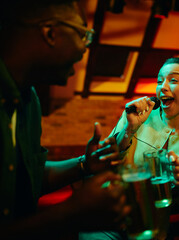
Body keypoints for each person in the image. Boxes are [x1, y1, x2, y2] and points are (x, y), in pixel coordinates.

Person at [0, 0, 130, 239]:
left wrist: (84, 164)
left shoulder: (29, 100)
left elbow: (30, 176)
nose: (85, 47)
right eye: (83, 34)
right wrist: (70, 214)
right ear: (50, 33)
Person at [80, 57, 179, 240]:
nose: (163, 87)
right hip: (110, 216)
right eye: (160, 81)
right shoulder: (135, 116)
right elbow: (106, 159)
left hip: (152, 226)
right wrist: (130, 129)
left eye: (173, 80)